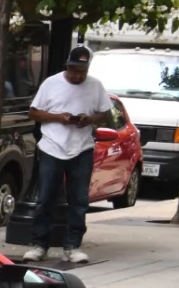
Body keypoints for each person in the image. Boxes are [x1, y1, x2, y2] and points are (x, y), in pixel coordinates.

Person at [24, 45, 113, 264]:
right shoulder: (51, 83)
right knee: (45, 198)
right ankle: (39, 244)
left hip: (81, 148)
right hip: (52, 147)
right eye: (73, 70)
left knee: (79, 200)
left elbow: (106, 114)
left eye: (81, 72)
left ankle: (72, 246)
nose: (76, 76)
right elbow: (33, 112)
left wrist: (89, 119)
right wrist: (59, 118)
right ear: (67, 66)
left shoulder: (95, 86)